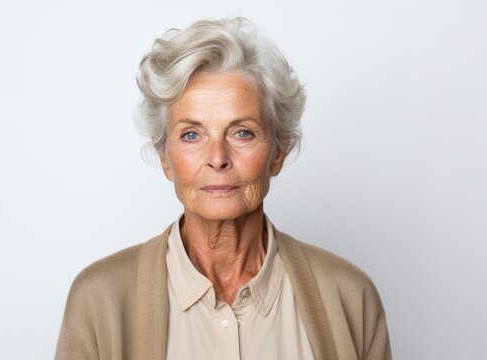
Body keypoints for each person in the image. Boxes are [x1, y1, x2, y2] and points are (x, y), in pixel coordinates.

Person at [55, 17, 391, 360]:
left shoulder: (350, 297)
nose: (217, 158)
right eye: (191, 134)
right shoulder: (98, 300)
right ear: (165, 158)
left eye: (242, 132)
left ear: (278, 152)